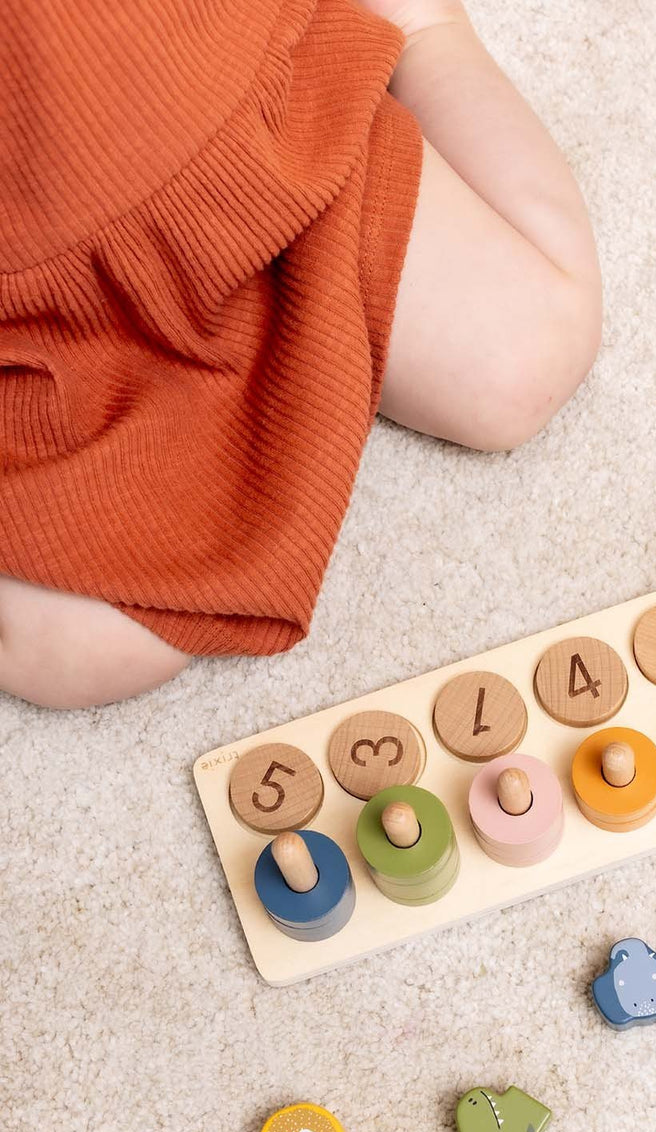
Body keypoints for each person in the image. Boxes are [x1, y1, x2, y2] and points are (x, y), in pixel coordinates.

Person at [0, 0, 600, 708]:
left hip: (252, 127)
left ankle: (423, 30)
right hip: (37, 325)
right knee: (80, 654)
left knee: (525, 356)